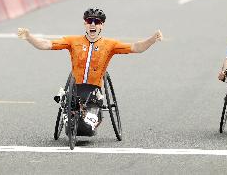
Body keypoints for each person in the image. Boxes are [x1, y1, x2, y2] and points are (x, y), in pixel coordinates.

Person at [18, 7, 163, 135]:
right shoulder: (72, 41)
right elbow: (46, 44)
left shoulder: (110, 44)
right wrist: (29, 37)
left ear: (102, 26)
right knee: (72, 127)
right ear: (85, 24)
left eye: (97, 21)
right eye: (89, 21)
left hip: (94, 92)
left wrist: (152, 39)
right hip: (75, 90)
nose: (93, 24)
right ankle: (70, 112)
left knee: (86, 129)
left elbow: (136, 48)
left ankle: (90, 117)